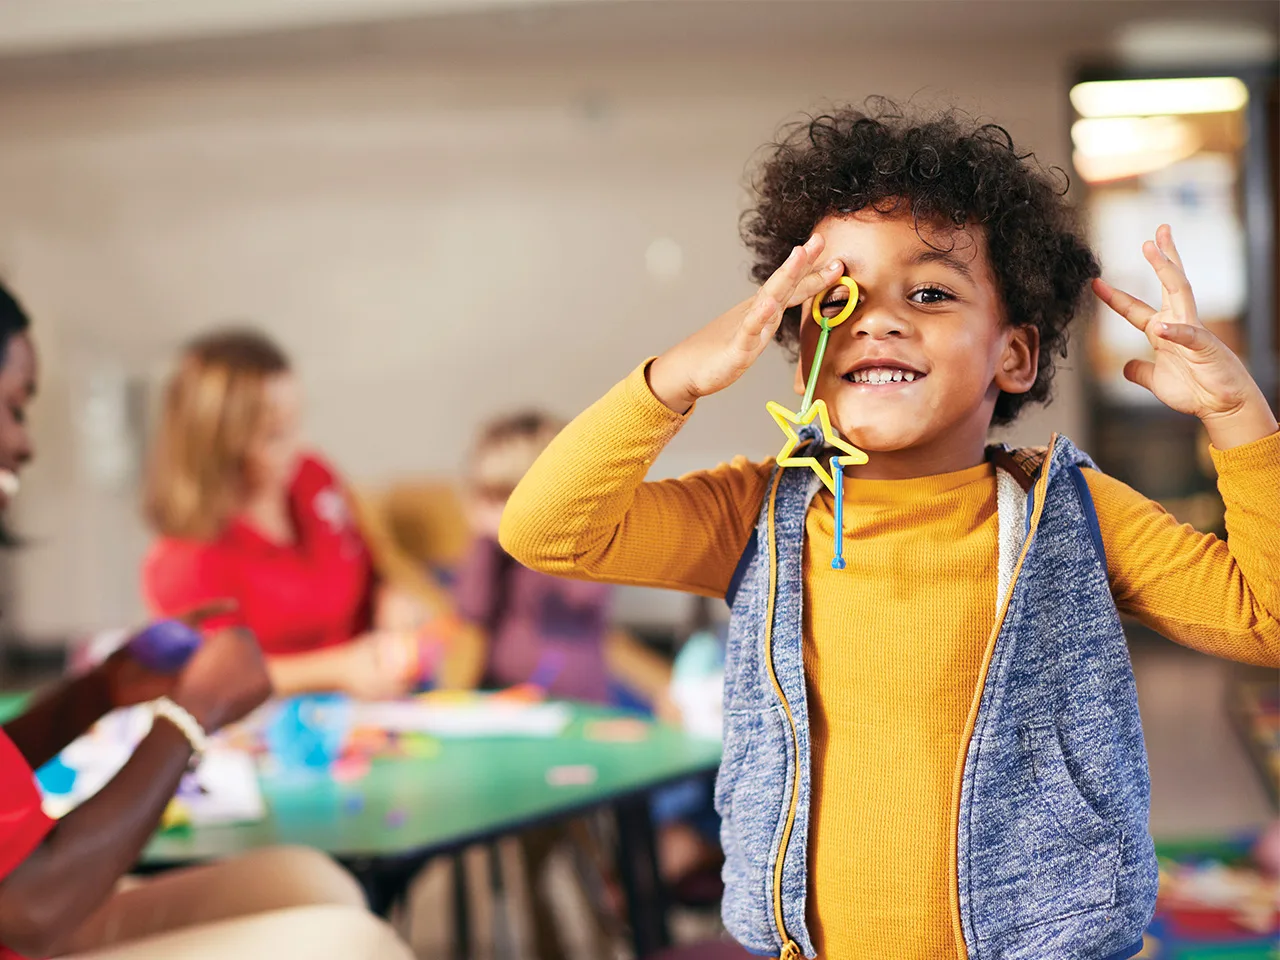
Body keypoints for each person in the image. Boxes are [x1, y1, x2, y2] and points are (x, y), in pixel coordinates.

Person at [498, 102, 1280, 960]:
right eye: (838, 299)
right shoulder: (751, 513)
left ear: (1012, 355)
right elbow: (548, 531)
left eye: (932, 292)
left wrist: (1239, 419)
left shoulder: (1073, 516)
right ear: (801, 346)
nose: (877, 318)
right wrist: (678, 375)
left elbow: (1265, 618)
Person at [0, 282, 414, 960]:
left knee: (314, 881)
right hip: (26, 924)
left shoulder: (315, 482)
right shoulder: (186, 557)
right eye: (16, 409)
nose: (26, 445)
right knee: (355, 942)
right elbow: (28, 908)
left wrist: (97, 691)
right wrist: (190, 715)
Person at [142, 329, 434, 700]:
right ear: (217, 447)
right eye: (275, 434)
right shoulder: (183, 561)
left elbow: (372, 571)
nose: (298, 445)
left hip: (376, 711)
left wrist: (392, 605)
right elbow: (213, 675)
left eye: (296, 423)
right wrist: (339, 670)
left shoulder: (313, 477)